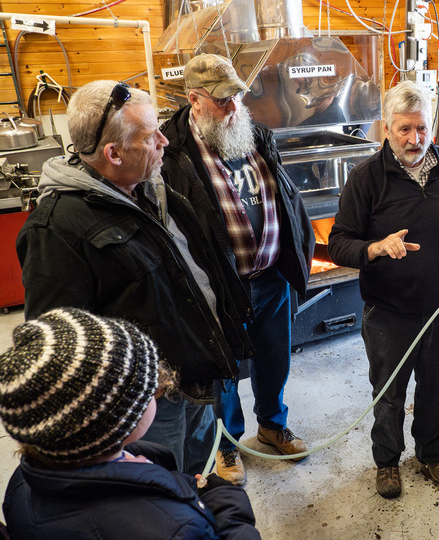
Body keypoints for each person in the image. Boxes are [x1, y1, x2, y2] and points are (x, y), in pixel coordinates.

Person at [15, 80, 253, 476]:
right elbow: (58, 347)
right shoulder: (56, 230)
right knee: (162, 487)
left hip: (197, 376)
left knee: (198, 474)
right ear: (113, 153)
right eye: (150, 135)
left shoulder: (148, 187)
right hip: (147, 405)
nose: (165, 140)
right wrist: (141, 389)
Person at [161, 54, 316, 485]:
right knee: (224, 370)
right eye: (222, 101)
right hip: (219, 288)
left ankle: (272, 423)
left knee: (274, 358)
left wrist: (296, 252)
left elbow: (282, 195)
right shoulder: (174, 152)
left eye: (238, 98)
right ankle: (227, 445)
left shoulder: (255, 135)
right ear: (195, 99)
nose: (234, 108)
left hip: (270, 277)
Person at [0, 308, 261, 539]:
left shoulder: (20, 484)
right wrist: (229, 508)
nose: (162, 382)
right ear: (115, 421)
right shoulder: (176, 527)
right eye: (149, 388)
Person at [327, 80, 439, 499]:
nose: (415, 139)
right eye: (404, 129)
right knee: (390, 393)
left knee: (438, 388)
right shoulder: (366, 178)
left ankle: (433, 453)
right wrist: (375, 247)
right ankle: (388, 463)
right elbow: (339, 242)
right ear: (387, 129)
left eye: (422, 129)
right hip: (389, 311)